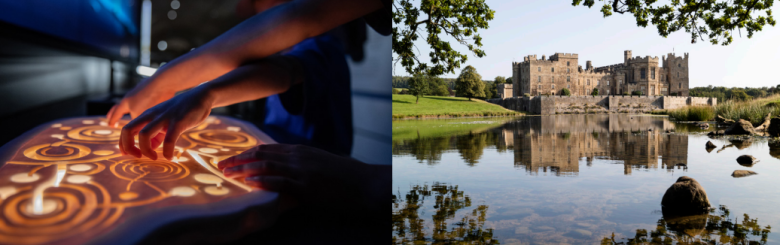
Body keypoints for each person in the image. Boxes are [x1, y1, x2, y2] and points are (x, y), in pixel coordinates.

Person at [107, 0, 390, 219]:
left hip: (314, 179)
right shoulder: (301, 44)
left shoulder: (321, 46)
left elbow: (287, 69)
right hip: (292, 165)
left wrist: (204, 94)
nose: (259, 16)